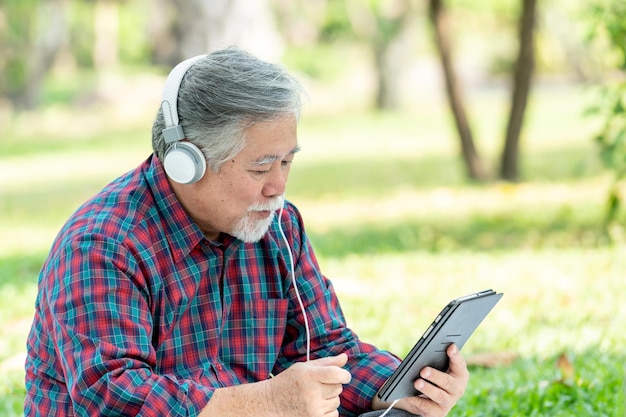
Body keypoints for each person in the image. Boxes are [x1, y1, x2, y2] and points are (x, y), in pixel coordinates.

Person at [24, 47, 469, 417]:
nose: (278, 186)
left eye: (287, 161)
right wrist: (268, 402)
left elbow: (325, 347)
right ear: (188, 161)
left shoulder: (278, 225)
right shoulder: (103, 245)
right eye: (261, 166)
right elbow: (113, 396)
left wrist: (401, 388)